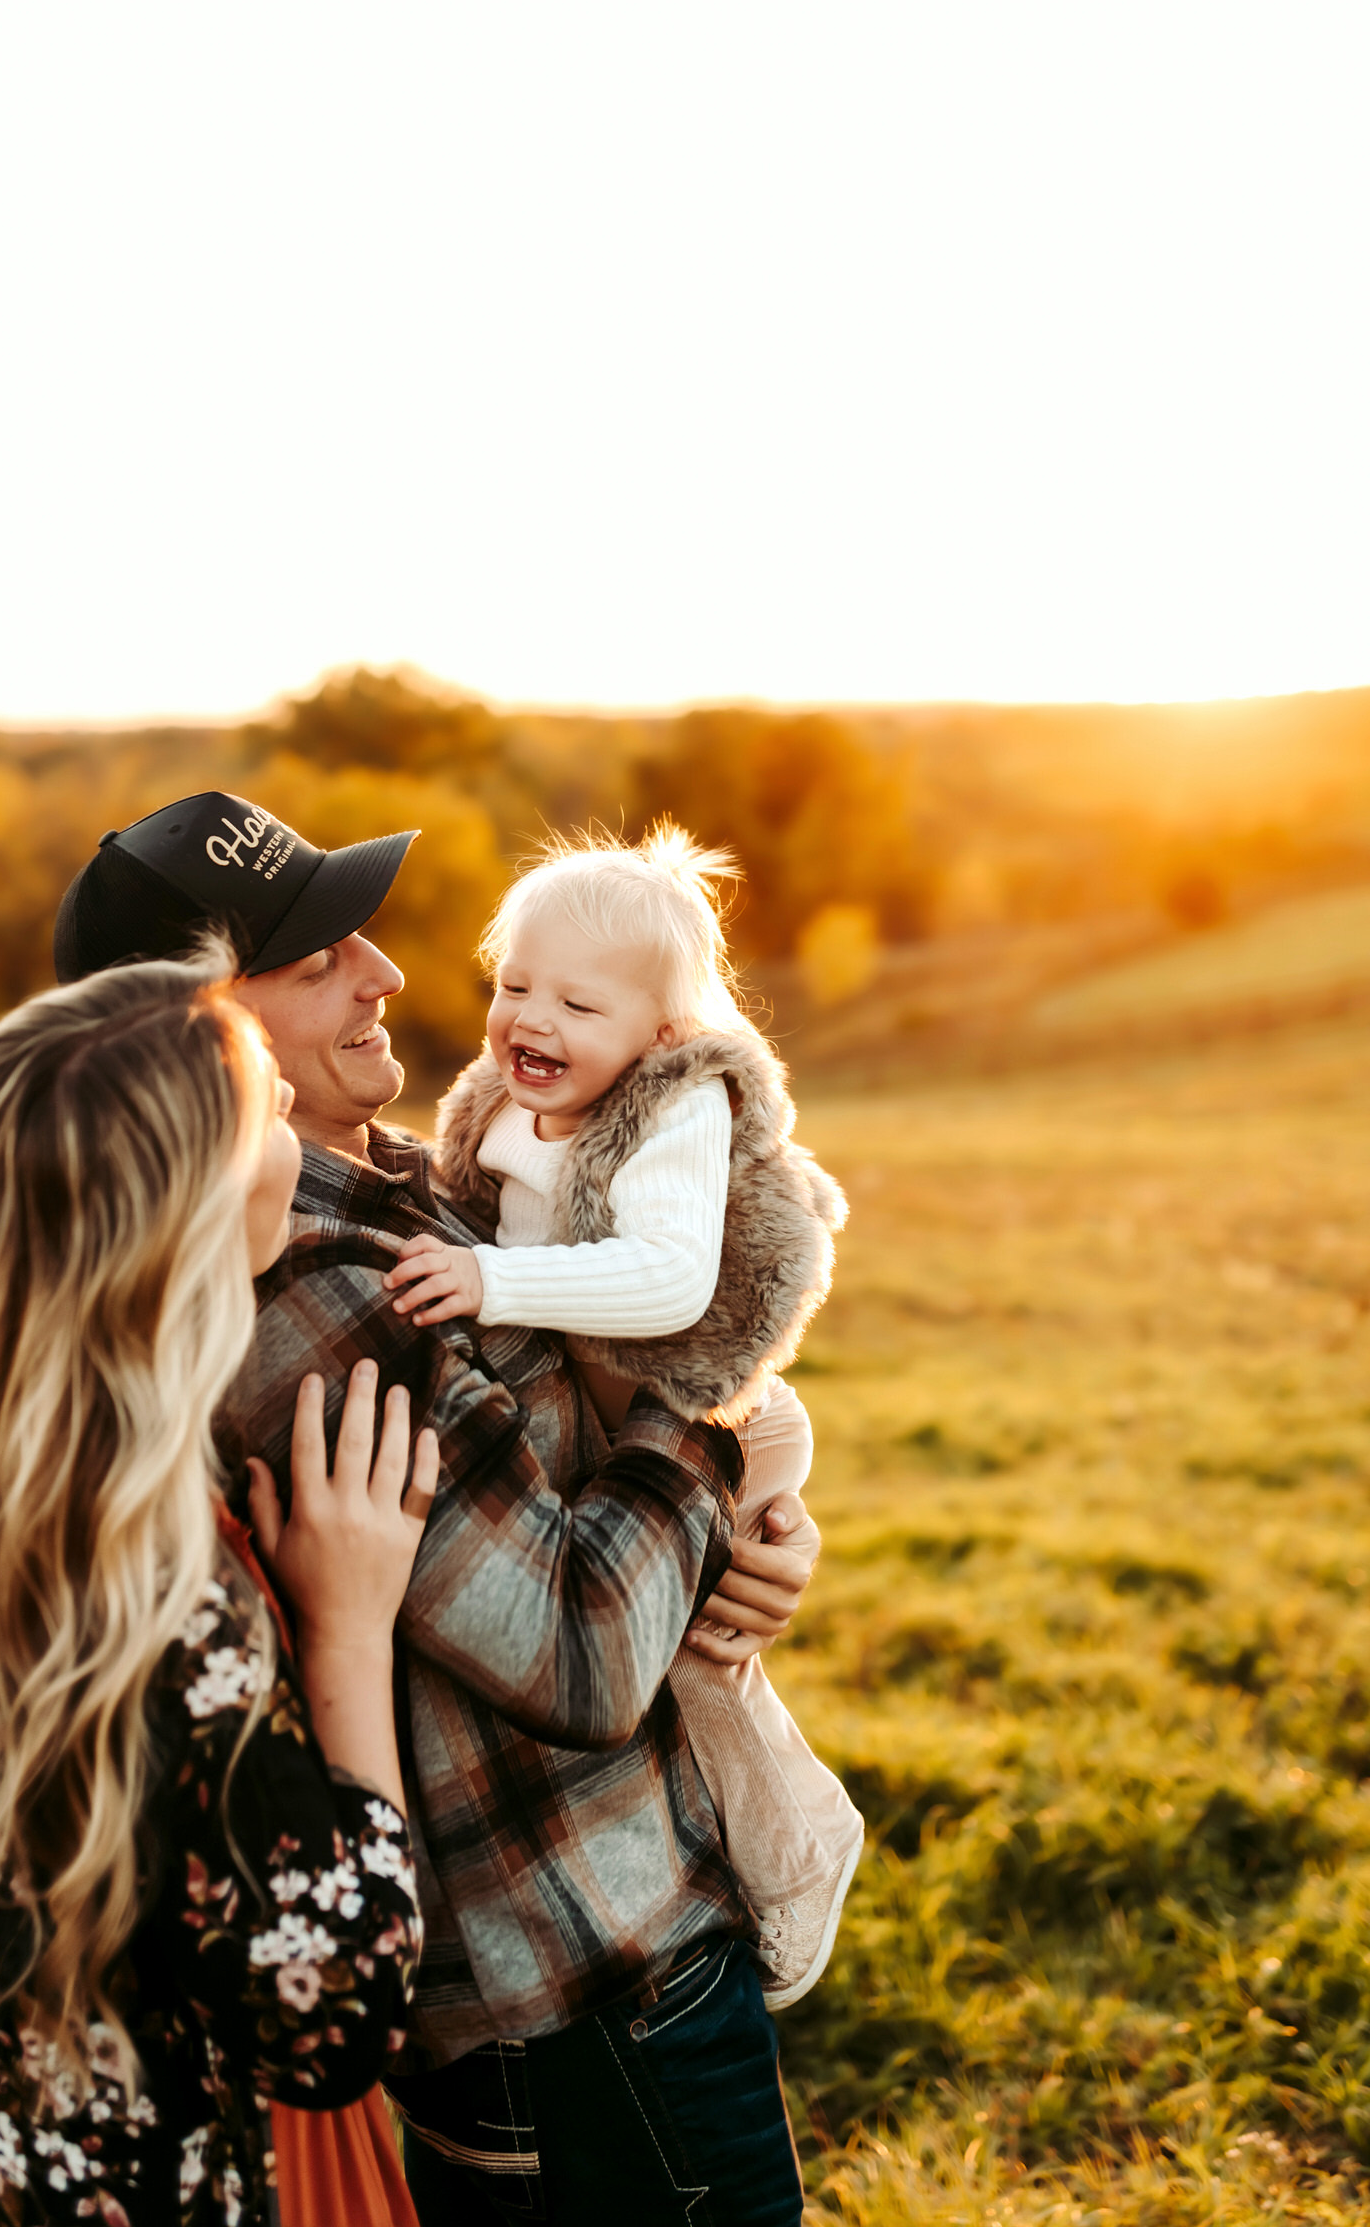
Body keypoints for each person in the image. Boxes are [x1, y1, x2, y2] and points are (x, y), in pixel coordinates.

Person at [53, 791, 822, 2227]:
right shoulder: (311, 1292)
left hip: (602, 1983)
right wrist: (717, 1425)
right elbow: (582, 1651)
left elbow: (590, 1454)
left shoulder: (416, 1183)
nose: (387, 972)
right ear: (199, 1035)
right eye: (314, 959)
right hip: (582, 2002)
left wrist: (753, 1537)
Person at [0, 949, 434, 2225]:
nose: (292, 1134)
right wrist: (352, 1632)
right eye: (265, 1107)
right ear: (190, 1215)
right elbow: (332, 2014)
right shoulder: (167, 1580)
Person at [385, 824, 865, 2011]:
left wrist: (496, 1286)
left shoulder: (675, 1106)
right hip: (608, 1414)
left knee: (703, 1660)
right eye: (512, 986)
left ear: (660, 1033)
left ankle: (800, 1850)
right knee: (668, 1644)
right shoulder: (503, 1101)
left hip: (729, 1415)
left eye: (576, 1005)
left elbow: (668, 1279)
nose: (530, 1021)